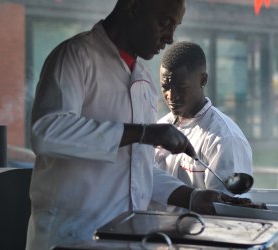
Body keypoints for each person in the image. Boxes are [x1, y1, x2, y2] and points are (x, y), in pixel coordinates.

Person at [26, 1, 250, 249]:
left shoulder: (142, 78)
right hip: (72, 235)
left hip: (129, 238)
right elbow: (47, 132)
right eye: (165, 23)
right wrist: (143, 133)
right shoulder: (76, 56)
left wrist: (192, 197)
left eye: (175, 27)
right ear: (133, 7)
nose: (169, 38)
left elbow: (137, 166)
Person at [155, 41, 253, 194]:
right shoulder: (160, 128)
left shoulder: (224, 139)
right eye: (165, 87)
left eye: (181, 87)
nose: (171, 96)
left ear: (203, 80)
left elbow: (225, 208)